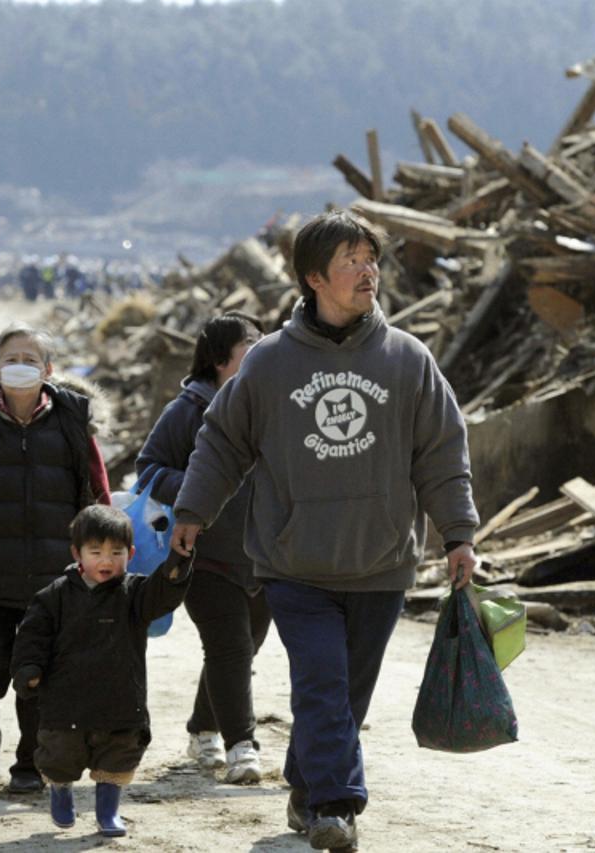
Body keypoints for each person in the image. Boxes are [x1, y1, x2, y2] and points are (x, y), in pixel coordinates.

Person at [170, 210, 480, 852]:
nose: (367, 271)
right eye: (350, 260)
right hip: (295, 563)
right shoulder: (270, 364)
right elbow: (223, 441)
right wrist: (193, 512)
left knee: (348, 698)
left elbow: (442, 453)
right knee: (322, 683)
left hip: (382, 561)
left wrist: (458, 534)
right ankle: (336, 808)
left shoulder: (407, 359)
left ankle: (307, 784)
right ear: (314, 277)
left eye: (372, 258)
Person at [0, 323, 112, 794]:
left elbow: (98, 494)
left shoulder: (72, 421)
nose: (21, 366)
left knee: (39, 677)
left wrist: (100, 557)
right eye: (12, 358)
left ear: (49, 370)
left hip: (51, 577)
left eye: (31, 359)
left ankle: (28, 764)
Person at [135, 312, 270, 783]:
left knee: (239, 649)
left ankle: (203, 728)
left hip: (265, 556)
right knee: (231, 647)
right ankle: (241, 747)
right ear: (218, 359)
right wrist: (201, 487)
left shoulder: (276, 405)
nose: (263, 350)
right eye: (250, 344)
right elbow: (148, 469)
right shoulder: (190, 410)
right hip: (203, 552)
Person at [10, 505, 192, 837]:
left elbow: (164, 593)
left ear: (131, 553)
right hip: (66, 702)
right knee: (60, 755)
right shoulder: (53, 597)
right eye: (96, 552)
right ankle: (61, 791)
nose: (106, 560)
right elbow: (32, 637)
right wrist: (28, 669)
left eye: (116, 552)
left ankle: (108, 813)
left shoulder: (135, 593)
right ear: (77, 553)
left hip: (120, 700)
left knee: (119, 755)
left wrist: (178, 562)